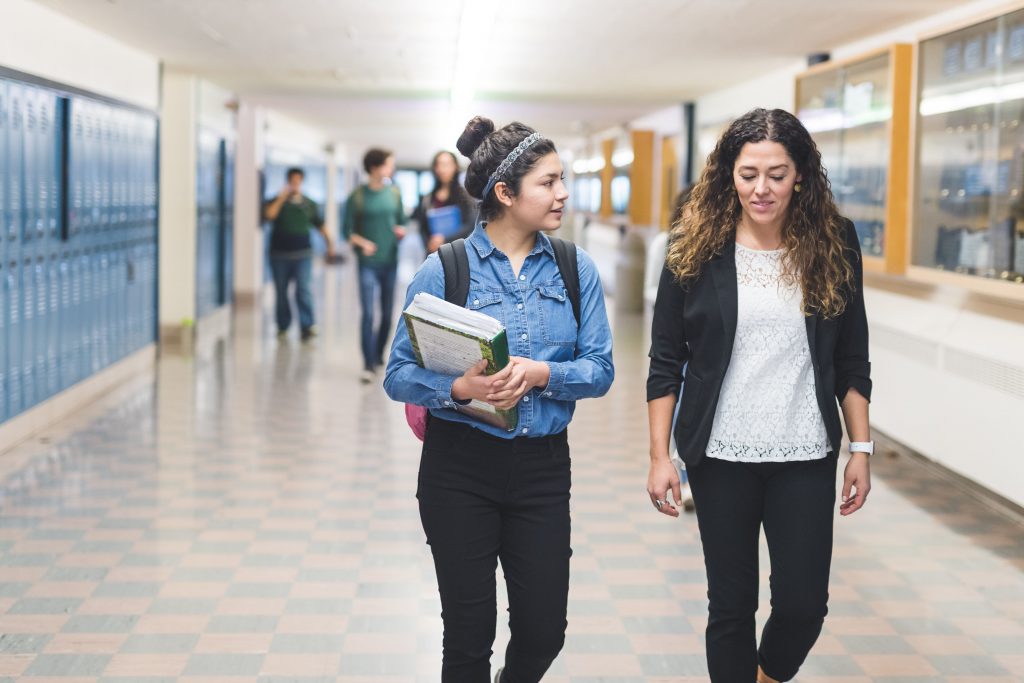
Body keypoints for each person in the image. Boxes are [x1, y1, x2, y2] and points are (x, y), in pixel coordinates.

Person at [646, 108, 873, 683]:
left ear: (801, 174)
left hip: (805, 450)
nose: (762, 188)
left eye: (777, 173)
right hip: (720, 453)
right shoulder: (693, 246)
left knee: (802, 604)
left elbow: (852, 356)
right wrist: (659, 457)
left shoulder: (835, 241)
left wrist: (861, 448)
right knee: (731, 606)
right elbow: (665, 360)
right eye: (748, 174)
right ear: (729, 174)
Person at [384, 117, 614, 683]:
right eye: (549, 182)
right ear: (505, 194)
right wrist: (458, 389)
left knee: (543, 631)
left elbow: (600, 370)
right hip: (459, 468)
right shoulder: (445, 270)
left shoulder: (572, 268)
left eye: (563, 180)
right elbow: (397, 374)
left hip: (542, 470)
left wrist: (542, 373)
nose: (562, 194)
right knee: (468, 636)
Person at [343, 148, 407, 383]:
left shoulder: (394, 193)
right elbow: (347, 230)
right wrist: (362, 242)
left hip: (390, 260)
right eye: (388, 164)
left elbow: (403, 221)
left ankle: (379, 355)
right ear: (375, 167)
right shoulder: (357, 196)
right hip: (367, 262)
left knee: (388, 313)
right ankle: (368, 363)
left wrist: (402, 231)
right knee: (368, 313)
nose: (391, 169)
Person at [264, 167, 335, 341]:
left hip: (303, 255)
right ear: (287, 182)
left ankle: (307, 325)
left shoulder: (309, 204)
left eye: (298, 182)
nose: (295, 185)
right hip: (279, 256)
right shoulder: (277, 201)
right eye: (292, 182)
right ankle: (282, 325)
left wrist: (330, 245)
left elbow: (321, 226)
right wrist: (282, 197)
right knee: (281, 292)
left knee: (303, 290)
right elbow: (269, 215)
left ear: (302, 182)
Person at [413, 150, 476, 256]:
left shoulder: (465, 197)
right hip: (433, 253)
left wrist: (444, 239)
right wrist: (429, 242)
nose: (442, 169)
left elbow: (469, 225)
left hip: (457, 254)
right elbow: (422, 227)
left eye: (446, 164)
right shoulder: (427, 198)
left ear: (455, 167)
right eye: (438, 165)